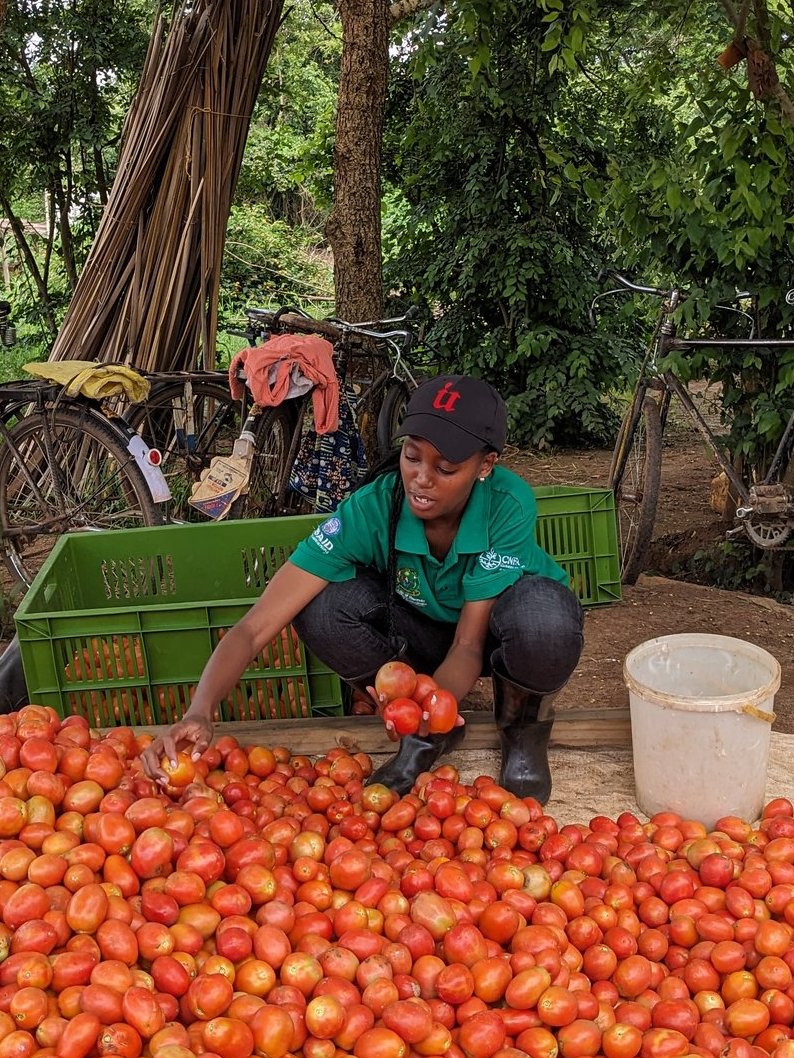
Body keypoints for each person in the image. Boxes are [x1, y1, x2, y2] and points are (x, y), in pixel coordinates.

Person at [141, 375, 584, 801]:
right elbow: (255, 628)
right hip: (422, 634)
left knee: (545, 617)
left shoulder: (507, 503)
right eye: (412, 457)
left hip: (497, 634)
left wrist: (428, 706)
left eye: (445, 467)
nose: (422, 479)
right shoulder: (374, 507)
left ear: (485, 466)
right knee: (322, 608)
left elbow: (469, 645)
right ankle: (427, 739)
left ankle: (522, 730)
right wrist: (199, 710)